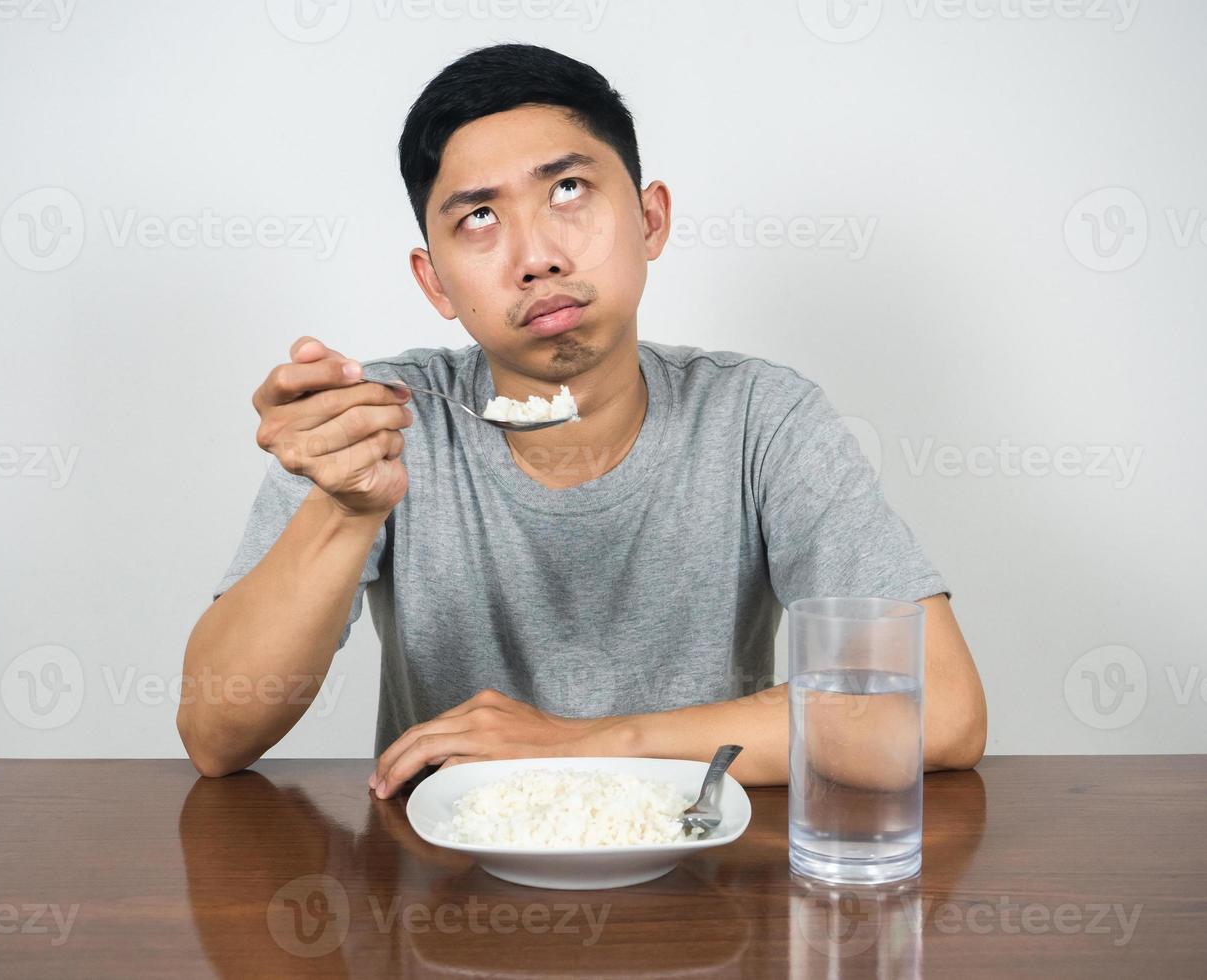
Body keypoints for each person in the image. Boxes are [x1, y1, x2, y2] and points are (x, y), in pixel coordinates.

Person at [176, 43, 986, 793]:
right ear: (436, 285)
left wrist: (586, 741)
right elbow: (216, 736)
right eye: (479, 218)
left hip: (702, 879)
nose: (537, 257)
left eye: (568, 190)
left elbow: (940, 710)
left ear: (649, 218)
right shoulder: (380, 424)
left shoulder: (759, 418)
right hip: (447, 895)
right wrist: (344, 510)